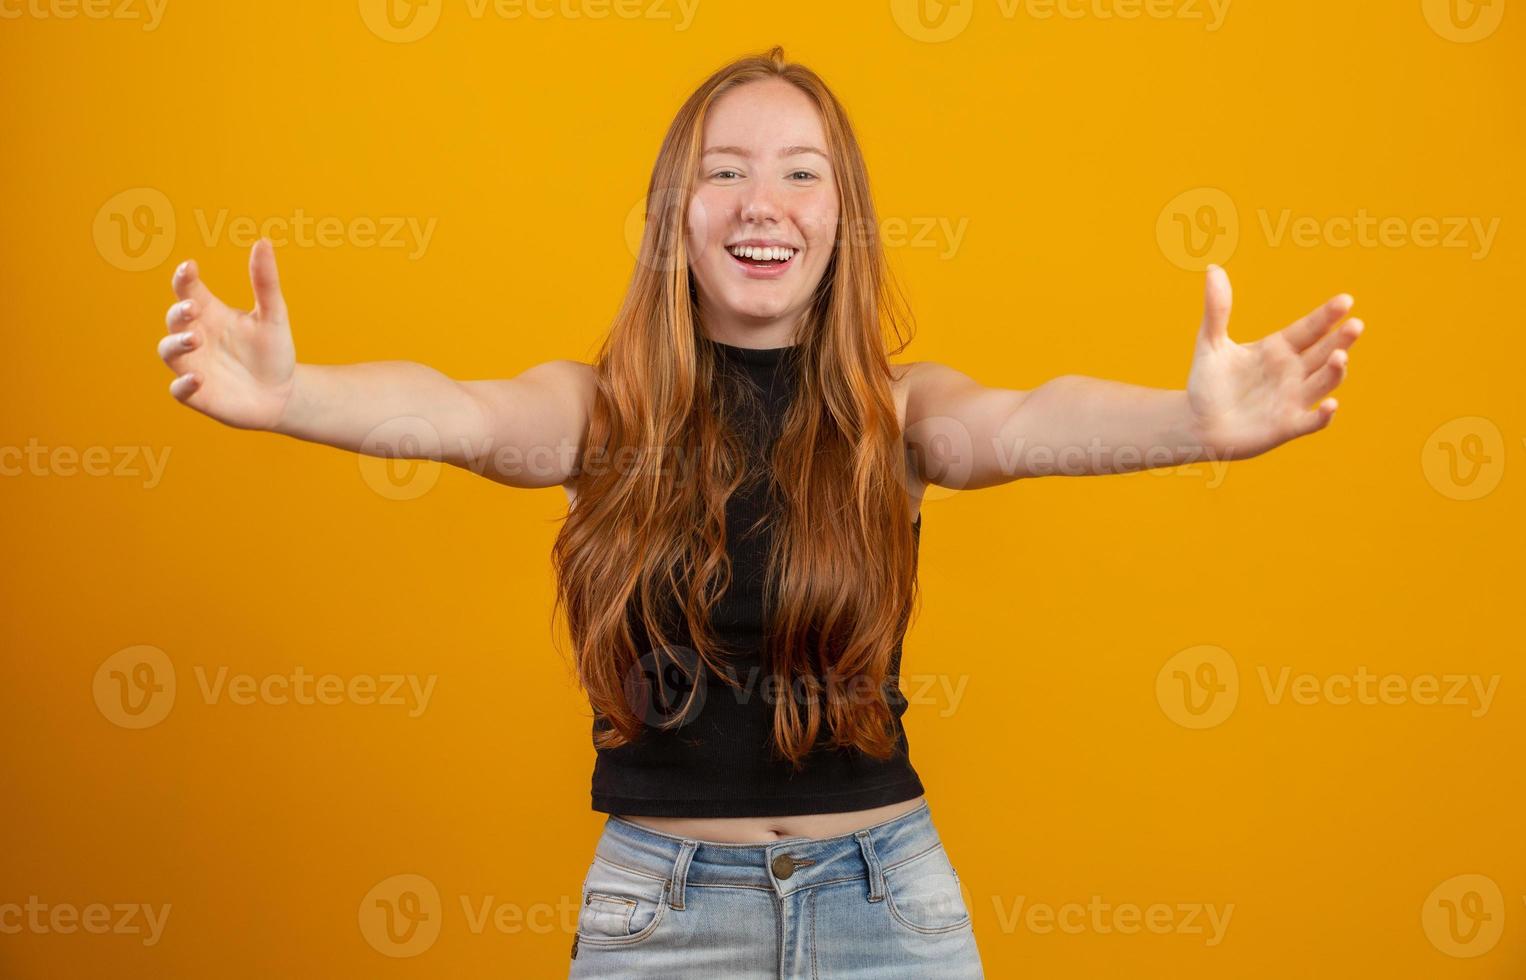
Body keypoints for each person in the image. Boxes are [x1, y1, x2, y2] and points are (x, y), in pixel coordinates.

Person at [154, 44, 1361, 980]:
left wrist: (1187, 422)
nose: (759, 202)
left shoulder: (898, 413)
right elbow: (460, 412)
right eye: (722, 172)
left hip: (888, 900)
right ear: (675, 213)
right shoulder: (597, 413)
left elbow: (1020, 422)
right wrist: (295, 394)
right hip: (658, 909)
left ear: (842, 219)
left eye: (799, 173)